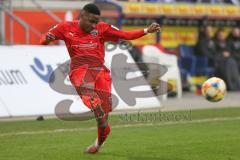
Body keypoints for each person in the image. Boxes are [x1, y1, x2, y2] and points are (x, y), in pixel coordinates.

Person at [40, 3, 161, 154]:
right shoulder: (65, 27)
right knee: (87, 90)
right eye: (91, 21)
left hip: (100, 73)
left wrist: (146, 31)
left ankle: (98, 144)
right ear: (82, 16)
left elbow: (125, 35)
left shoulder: (102, 28)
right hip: (80, 71)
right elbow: (43, 40)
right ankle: (93, 101)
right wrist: (47, 39)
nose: (94, 25)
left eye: (96, 21)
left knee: (103, 122)